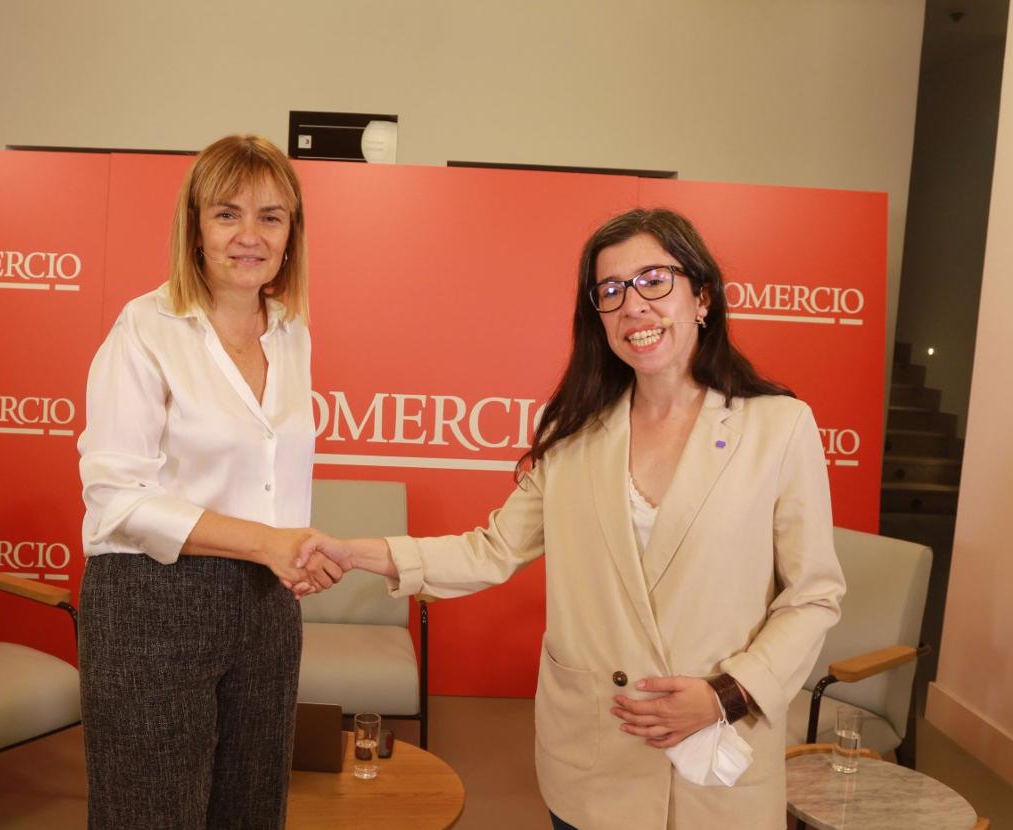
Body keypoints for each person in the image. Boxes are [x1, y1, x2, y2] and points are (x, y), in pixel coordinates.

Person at [297, 208, 846, 829]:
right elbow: (491, 549)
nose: (633, 305)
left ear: (703, 297)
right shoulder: (573, 437)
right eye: (610, 291)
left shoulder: (777, 428)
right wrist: (357, 553)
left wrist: (725, 695)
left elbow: (812, 596)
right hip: (595, 756)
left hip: (713, 758)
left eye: (654, 280)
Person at [76, 134, 343, 830]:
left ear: (292, 234)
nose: (248, 236)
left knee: (252, 810)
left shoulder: (290, 331)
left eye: (270, 217)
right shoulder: (143, 329)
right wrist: (267, 542)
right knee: (151, 814)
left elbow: (271, 475)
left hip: (266, 607)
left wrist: (290, 550)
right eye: (227, 214)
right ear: (195, 227)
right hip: (150, 603)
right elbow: (116, 498)